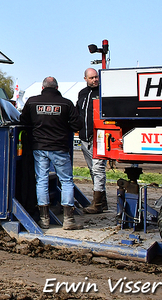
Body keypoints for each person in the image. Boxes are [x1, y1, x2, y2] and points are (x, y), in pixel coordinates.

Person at [20, 77, 83, 230]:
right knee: (66, 181)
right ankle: (69, 220)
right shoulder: (66, 103)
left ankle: (44, 220)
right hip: (60, 147)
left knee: (41, 180)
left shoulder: (32, 102)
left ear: (42, 87)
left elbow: (23, 120)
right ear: (57, 87)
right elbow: (77, 124)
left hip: (39, 148)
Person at [77, 67, 107, 213]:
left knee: (98, 168)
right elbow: (78, 113)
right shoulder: (82, 93)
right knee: (92, 170)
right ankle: (102, 200)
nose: (95, 80)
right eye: (91, 78)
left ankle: (97, 204)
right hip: (84, 138)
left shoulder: (103, 92)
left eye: (96, 77)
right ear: (85, 79)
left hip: (99, 137)